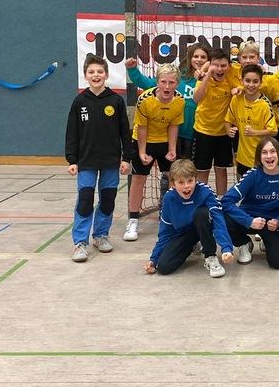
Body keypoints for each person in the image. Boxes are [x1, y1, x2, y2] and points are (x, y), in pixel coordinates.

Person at [65, 55, 133, 262]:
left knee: (108, 199)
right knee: (85, 200)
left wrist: (126, 158)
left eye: (100, 72)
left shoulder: (116, 101)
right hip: (86, 161)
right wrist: (72, 160)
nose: (96, 75)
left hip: (110, 161)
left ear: (107, 75)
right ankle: (80, 242)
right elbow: (72, 133)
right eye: (92, 72)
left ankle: (101, 235)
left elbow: (125, 132)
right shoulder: (79, 102)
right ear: (85, 76)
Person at [124, 63, 185, 241]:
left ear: (177, 84)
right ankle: (133, 221)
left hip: (165, 140)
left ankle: (171, 218)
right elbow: (142, 127)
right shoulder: (145, 99)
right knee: (138, 178)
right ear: (157, 82)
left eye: (171, 83)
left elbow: (174, 125)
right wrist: (142, 152)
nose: (167, 86)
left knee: (173, 177)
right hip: (145, 139)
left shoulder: (180, 100)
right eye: (163, 82)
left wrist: (172, 149)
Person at [144, 159, 235, 276]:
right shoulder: (169, 199)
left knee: (202, 213)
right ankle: (192, 246)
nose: (186, 186)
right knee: (164, 267)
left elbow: (218, 220)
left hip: (204, 227)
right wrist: (154, 258)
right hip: (185, 234)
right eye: (181, 182)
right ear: (173, 183)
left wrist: (226, 248)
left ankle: (210, 256)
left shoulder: (205, 192)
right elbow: (165, 232)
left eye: (190, 181)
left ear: (196, 179)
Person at [124, 42, 209, 160]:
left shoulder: (210, 81)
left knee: (190, 168)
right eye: (196, 56)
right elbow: (146, 83)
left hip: (196, 133)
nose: (199, 60)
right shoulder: (176, 78)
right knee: (172, 168)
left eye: (203, 57)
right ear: (189, 58)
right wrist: (133, 70)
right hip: (174, 134)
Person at [221, 137, 279, 269]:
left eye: (273, 151)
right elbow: (226, 201)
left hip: (272, 223)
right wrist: (248, 220)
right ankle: (244, 244)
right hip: (250, 218)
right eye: (264, 152)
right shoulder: (253, 175)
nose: (269, 156)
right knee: (223, 218)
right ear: (259, 157)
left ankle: (266, 241)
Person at [191, 48, 234, 197]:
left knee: (221, 170)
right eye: (216, 65)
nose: (220, 69)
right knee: (202, 171)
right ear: (210, 65)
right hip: (203, 132)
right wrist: (207, 74)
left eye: (223, 66)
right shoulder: (203, 79)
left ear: (229, 66)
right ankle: (202, 200)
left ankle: (221, 201)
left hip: (223, 133)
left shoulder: (230, 79)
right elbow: (196, 99)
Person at [225, 64, 278, 178]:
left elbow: (273, 131)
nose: (251, 85)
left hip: (261, 157)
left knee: (260, 186)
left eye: (255, 81)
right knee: (242, 185)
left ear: (261, 83)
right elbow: (228, 119)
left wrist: (254, 132)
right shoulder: (236, 99)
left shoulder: (264, 104)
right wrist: (229, 130)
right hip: (242, 157)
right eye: (248, 81)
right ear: (242, 82)